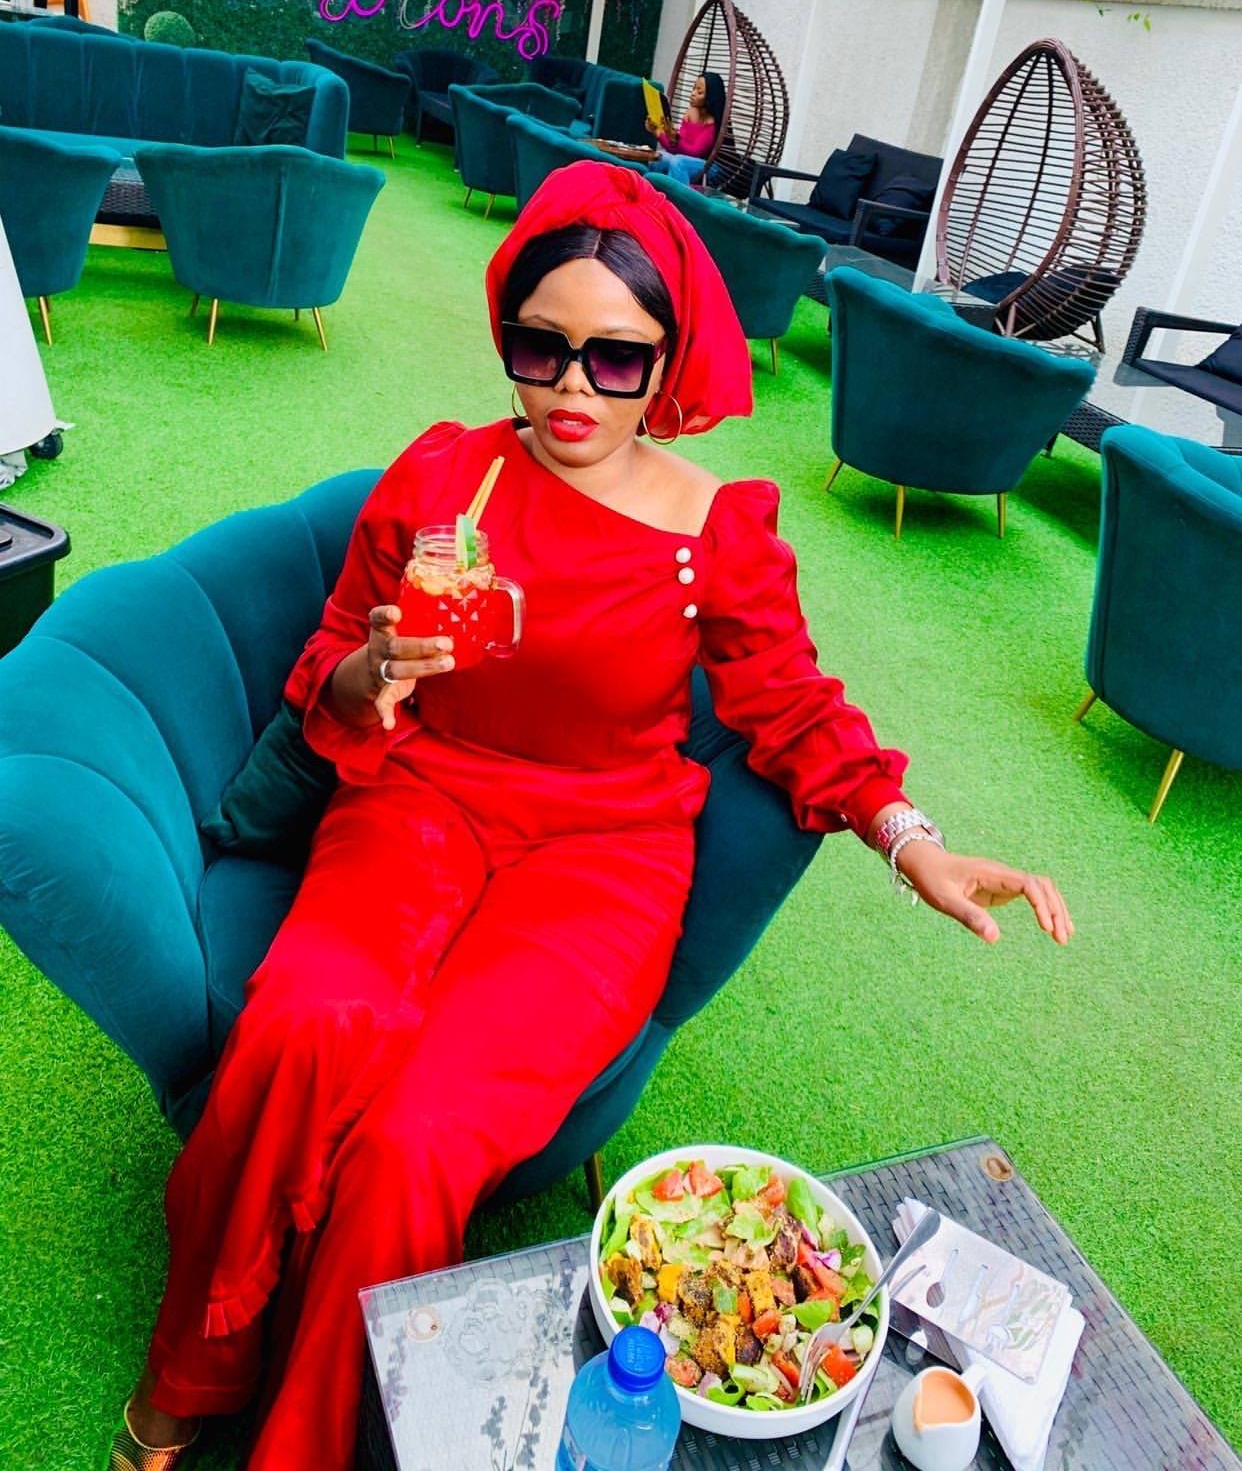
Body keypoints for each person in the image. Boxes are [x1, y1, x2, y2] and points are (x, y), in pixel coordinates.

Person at [105, 162, 1072, 1471]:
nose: (571, 389)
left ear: (664, 364)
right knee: (302, 1026)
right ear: (508, 335)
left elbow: (791, 704)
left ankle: (314, 1441)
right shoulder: (444, 476)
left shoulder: (713, 532)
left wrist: (912, 839)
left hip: (603, 861)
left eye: (615, 359)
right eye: (540, 347)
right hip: (418, 800)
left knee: (418, 1140)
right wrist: (373, 668)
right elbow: (330, 661)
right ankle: (198, 1360)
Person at [647, 70, 726, 186]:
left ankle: (679, 196)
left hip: (710, 166)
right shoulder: (690, 114)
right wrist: (658, 132)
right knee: (658, 157)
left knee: (678, 162)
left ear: (710, 97)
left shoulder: (712, 122)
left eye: (699, 92)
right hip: (685, 160)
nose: (693, 93)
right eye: (694, 88)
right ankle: (654, 192)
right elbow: (676, 150)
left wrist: (675, 139)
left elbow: (694, 152)